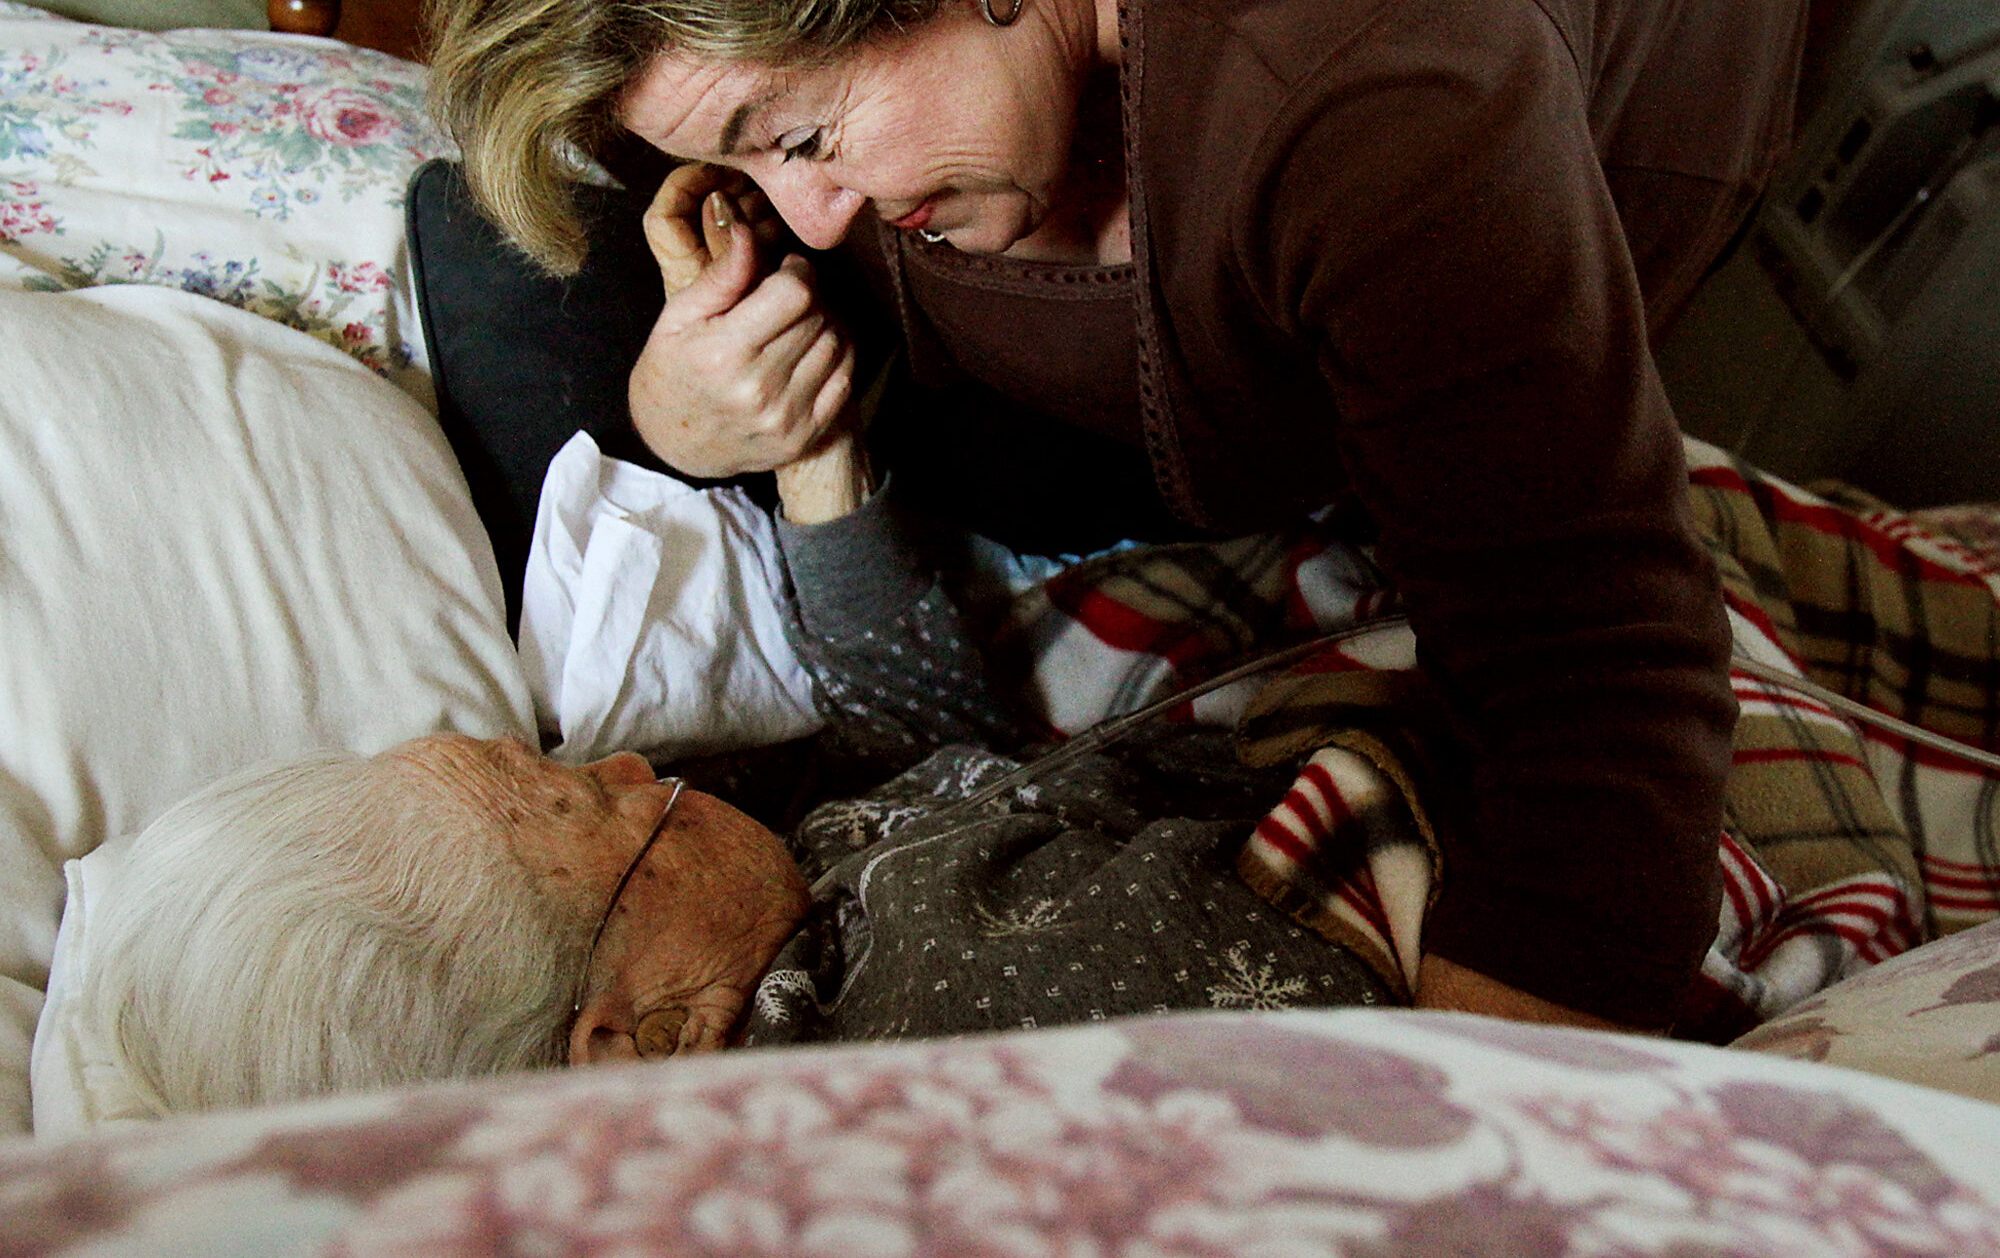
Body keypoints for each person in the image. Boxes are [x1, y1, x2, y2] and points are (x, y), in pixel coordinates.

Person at [403, 0, 1811, 1030]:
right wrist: (679, 421)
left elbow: (1597, 679)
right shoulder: (881, 42)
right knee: (496, 248)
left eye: (806, 137)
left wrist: (1461, 1156)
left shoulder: (1376, 91)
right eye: (747, 162)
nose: (811, 214)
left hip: (1645, 35)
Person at [81, 457, 1392, 1117]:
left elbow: (937, 770)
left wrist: (821, 476)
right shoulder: (987, 998)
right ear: (636, 1033)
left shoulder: (774, 938)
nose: (636, 765)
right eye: (593, 806)